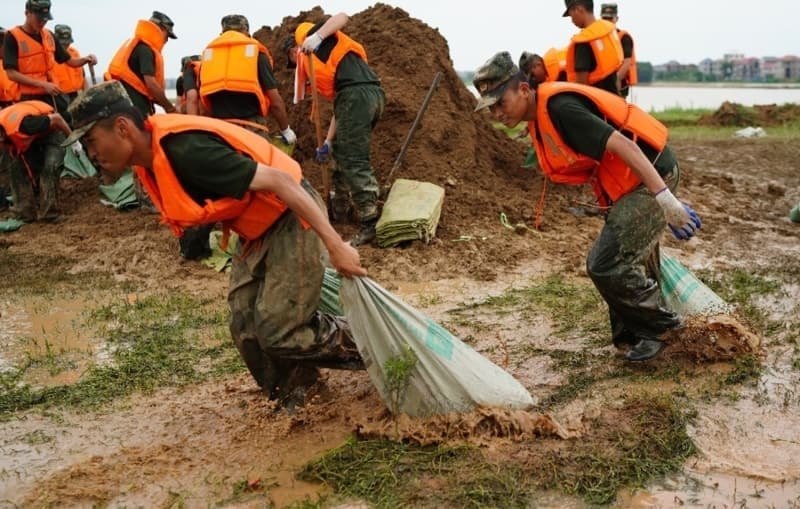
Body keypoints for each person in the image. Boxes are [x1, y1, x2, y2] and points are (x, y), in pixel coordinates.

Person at [63, 80, 368, 407]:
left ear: (122, 127)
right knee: (245, 325)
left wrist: (336, 246)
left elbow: (282, 182)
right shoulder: (151, 160)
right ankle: (302, 396)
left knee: (280, 329)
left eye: (92, 141)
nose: (91, 154)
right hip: (257, 226)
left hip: (290, 213)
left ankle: (380, 347)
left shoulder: (188, 151)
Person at [473, 51, 701, 362]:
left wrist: (665, 199)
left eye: (501, 102)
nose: (497, 113)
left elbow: (625, 145)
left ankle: (666, 332)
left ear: (524, 90)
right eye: (491, 108)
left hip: (651, 175)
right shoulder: (537, 118)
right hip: (628, 184)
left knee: (605, 264)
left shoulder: (560, 108)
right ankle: (635, 334)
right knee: (631, 256)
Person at [289, 12, 385, 246]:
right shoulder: (341, 68)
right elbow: (340, 112)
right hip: (368, 96)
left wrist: (317, 36)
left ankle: (369, 222)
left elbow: (342, 16)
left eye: (291, 61)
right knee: (342, 151)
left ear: (295, 50)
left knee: (353, 158)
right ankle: (341, 210)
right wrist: (328, 142)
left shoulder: (313, 37)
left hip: (357, 96)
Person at [199, 15, 296, 147]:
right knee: (263, 166)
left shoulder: (208, 57)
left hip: (221, 131)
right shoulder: (257, 54)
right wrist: (286, 130)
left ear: (222, 33)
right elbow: (275, 102)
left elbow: (203, 103)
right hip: (252, 129)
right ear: (246, 32)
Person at [3, 0, 97, 116]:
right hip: (27, 98)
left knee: (72, 118)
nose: (43, 22)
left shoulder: (49, 36)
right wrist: (42, 84)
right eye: (39, 18)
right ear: (27, 13)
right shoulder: (12, 37)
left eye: (45, 19)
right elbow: (11, 73)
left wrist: (86, 59)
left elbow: (70, 61)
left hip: (52, 95)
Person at [0, 100, 71, 222]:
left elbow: (57, 118)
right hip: (27, 137)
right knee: (15, 169)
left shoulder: (26, 124)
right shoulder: (6, 132)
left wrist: (72, 140)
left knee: (51, 166)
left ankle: (50, 213)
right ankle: (23, 212)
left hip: (52, 130)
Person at [105, 11, 177, 117]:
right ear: (161, 29)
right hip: (135, 109)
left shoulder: (138, 45)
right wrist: (170, 108)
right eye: (168, 35)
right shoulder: (145, 50)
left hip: (123, 105)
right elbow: (151, 84)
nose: (167, 40)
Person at [562, 0, 623, 95]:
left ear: (578, 9)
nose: (572, 20)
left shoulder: (583, 41)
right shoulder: (607, 32)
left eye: (571, 15)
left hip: (596, 104)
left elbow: (581, 85)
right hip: (613, 99)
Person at [600, 3, 637, 99]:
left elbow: (627, 62)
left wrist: (615, 81)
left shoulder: (624, 37)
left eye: (610, 18)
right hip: (601, 85)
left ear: (616, 19)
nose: (607, 21)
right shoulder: (597, 38)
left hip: (618, 85)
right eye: (605, 18)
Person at [51, 24, 88, 104]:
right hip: (58, 97)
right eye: (62, 43)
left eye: (67, 42)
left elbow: (83, 77)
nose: (66, 45)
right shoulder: (49, 55)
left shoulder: (74, 53)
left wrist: (87, 95)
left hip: (76, 95)